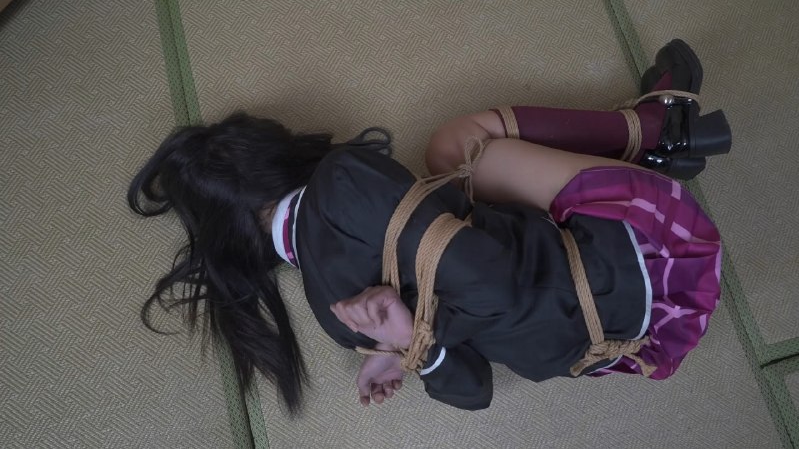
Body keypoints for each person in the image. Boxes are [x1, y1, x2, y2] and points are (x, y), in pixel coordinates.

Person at [128, 40, 729, 412]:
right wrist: (411, 329)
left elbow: (475, 392)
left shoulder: (334, 313)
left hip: (615, 342)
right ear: (268, 155)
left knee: (454, 183)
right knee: (460, 145)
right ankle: (660, 129)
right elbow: (498, 282)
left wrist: (412, 348)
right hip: (653, 258)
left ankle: (656, 135)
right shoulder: (341, 180)